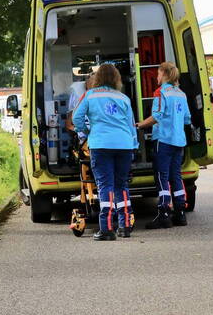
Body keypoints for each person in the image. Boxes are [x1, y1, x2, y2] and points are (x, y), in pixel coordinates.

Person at [72, 64, 139, 241]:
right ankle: (125, 226)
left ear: (98, 78)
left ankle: (107, 229)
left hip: (100, 145)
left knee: (105, 186)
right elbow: (131, 125)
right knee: (121, 185)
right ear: (116, 78)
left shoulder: (90, 95)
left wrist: (87, 133)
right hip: (124, 145)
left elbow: (76, 118)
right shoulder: (123, 98)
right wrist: (134, 145)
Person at [136, 61, 192, 229]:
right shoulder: (181, 94)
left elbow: (157, 116)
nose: (157, 77)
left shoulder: (160, 93)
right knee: (176, 176)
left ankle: (164, 213)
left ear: (165, 75)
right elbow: (187, 118)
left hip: (164, 140)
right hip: (179, 140)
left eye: (159, 74)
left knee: (162, 176)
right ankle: (180, 212)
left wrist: (140, 124)